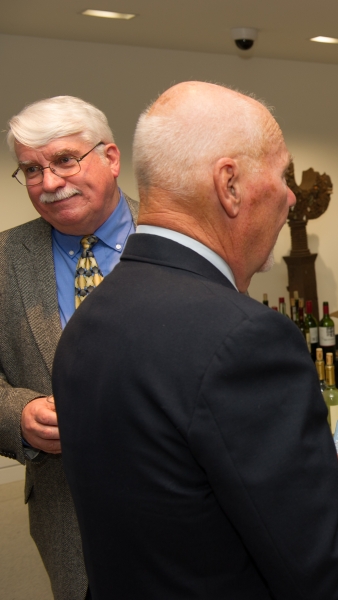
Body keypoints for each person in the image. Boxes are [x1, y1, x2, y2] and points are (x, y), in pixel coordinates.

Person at [52, 82, 338, 600]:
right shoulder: (245, 337)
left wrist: (302, 476)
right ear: (228, 185)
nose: (292, 195)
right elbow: (333, 569)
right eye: (282, 174)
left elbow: (177, 491)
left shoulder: (89, 317)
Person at [0, 96, 136, 600]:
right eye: (32, 169)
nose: (50, 183)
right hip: (69, 518)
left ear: (112, 157)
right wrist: (20, 413)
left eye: (64, 159)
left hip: (188, 503)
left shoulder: (178, 239)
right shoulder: (4, 260)